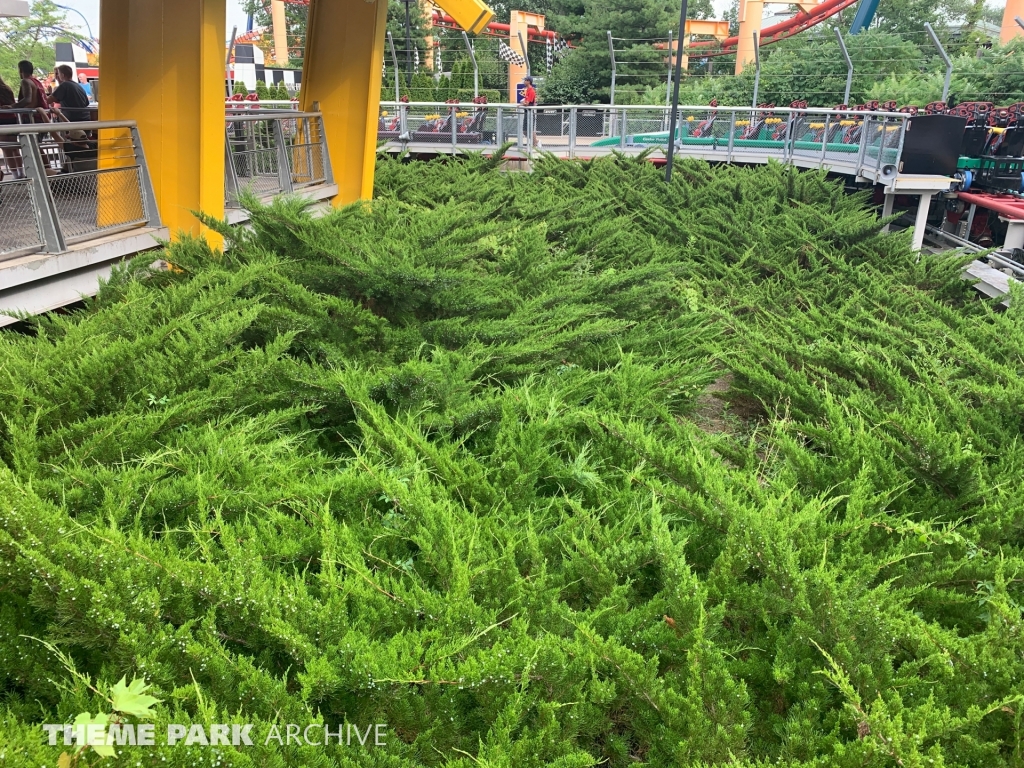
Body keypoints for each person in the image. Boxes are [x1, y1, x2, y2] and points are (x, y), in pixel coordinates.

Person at [0, 74, 24, 179]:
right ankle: (21, 172)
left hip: (1, 119)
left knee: (6, 149)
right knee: (15, 148)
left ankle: (15, 175)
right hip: (11, 118)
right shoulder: (7, 89)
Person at [520, 74, 539, 148]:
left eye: (525, 80)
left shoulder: (531, 91)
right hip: (526, 112)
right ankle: (536, 141)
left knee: (530, 130)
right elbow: (525, 101)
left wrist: (522, 104)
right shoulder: (527, 90)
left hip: (530, 113)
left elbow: (527, 103)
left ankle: (535, 145)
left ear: (528, 81)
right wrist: (523, 103)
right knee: (525, 131)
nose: (524, 81)